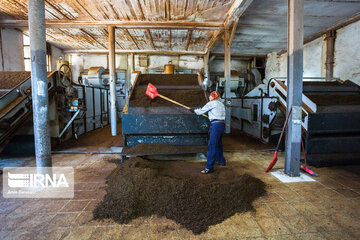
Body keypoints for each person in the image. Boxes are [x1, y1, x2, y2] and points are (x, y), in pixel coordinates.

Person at [192, 91, 226, 174]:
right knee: (218, 144)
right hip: (222, 125)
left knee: (212, 146)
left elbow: (200, 111)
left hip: (215, 125)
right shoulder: (221, 104)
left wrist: (193, 110)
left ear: (213, 97)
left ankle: (209, 167)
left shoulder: (211, 103)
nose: (209, 97)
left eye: (210, 96)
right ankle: (221, 161)